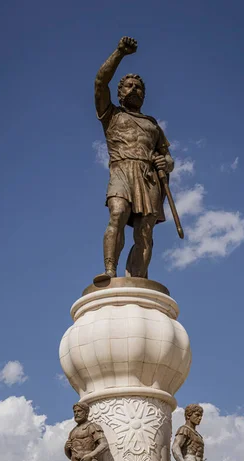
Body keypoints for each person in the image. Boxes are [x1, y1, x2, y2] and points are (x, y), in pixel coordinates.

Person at [94, 36, 174, 280]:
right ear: (119, 92)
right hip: (121, 170)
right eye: (128, 86)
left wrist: (166, 163)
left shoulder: (152, 125)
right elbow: (100, 82)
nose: (134, 89)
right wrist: (119, 52)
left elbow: (167, 157)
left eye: (138, 87)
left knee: (145, 232)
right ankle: (109, 271)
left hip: (149, 178)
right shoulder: (111, 115)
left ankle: (137, 280)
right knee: (117, 213)